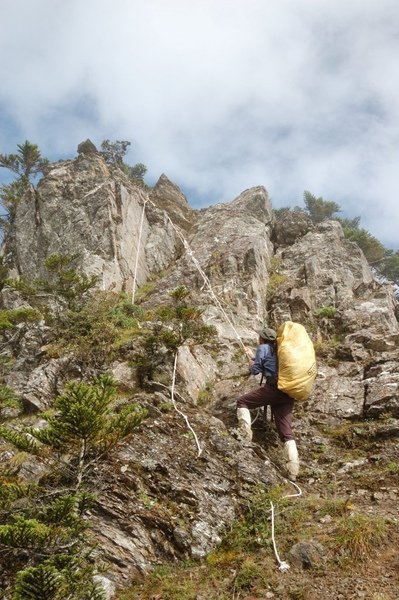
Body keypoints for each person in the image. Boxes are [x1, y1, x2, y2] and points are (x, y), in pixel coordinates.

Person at [236, 327, 300, 481]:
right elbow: (269, 364)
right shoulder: (279, 351)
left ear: (262, 338)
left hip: (273, 390)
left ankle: (244, 435)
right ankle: (293, 469)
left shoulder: (263, 347)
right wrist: (252, 356)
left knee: (242, 401)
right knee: (286, 433)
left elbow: (256, 370)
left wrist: (251, 363)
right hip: (287, 393)